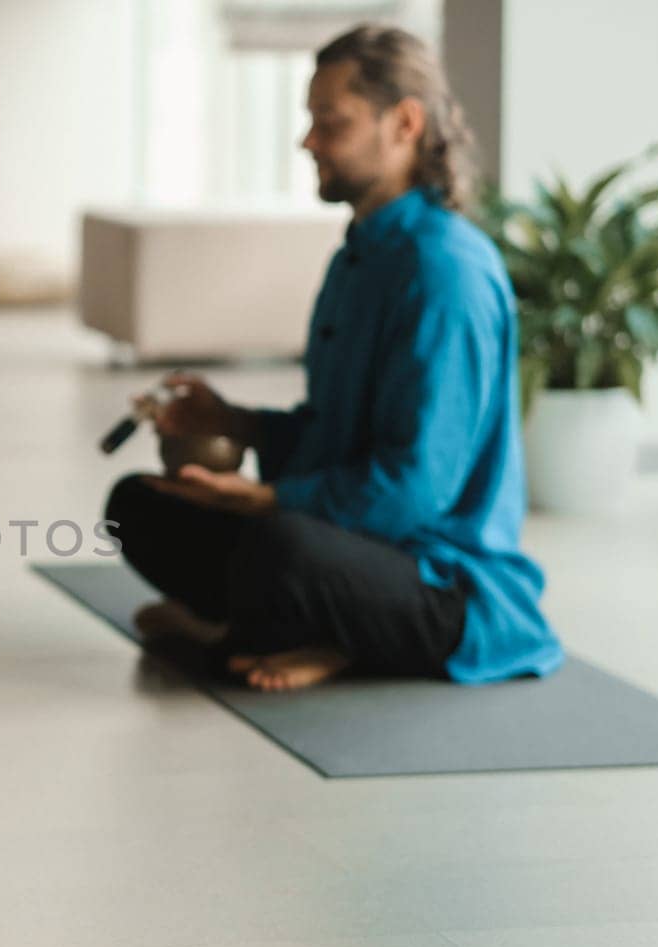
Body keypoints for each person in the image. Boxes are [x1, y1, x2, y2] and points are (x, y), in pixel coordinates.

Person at [103, 23, 562, 692]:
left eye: (330, 122)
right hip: (352, 550)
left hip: (442, 582)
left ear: (404, 123)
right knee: (138, 505)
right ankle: (306, 627)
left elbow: (413, 488)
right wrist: (236, 422)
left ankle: (308, 632)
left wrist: (265, 499)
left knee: (279, 545)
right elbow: (335, 437)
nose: (307, 141)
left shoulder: (444, 272)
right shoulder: (360, 254)